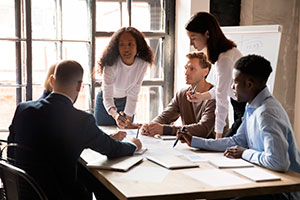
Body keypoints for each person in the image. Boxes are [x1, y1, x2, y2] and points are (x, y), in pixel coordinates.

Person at [8, 60, 142, 199]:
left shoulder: (23, 109)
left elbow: (11, 149)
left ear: (52, 81)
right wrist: (133, 144)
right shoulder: (81, 119)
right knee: (96, 181)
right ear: (79, 86)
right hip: (61, 195)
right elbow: (113, 149)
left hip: (25, 193)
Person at [179, 55, 300, 200]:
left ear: (249, 85)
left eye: (235, 83)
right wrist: (196, 142)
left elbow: (278, 162)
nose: (231, 87)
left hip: (282, 190)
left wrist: (244, 153)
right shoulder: (252, 105)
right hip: (264, 178)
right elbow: (237, 140)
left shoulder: (267, 113)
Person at [185, 12, 246, 139]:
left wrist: (218, 137)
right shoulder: (223, 55)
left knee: (228, 147)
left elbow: (222, 101)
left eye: (193, 37)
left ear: (207, 34)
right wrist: (202, 96)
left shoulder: (224, 59)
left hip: (246, 109)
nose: (191, 43)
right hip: (240, 107)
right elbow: (221, 88)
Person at [141, 52, 217, 138]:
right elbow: (165, 117)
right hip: (190, 147)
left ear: (205, 72)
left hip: (212, 149)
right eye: (186, 68)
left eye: (192, 69)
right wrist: (150, 126)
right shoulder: (182, 94)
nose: (186, 73)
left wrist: (165, 129)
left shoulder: (213, 96)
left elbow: (203, 130)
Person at [94, 27, 154, 129]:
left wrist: (128, 119)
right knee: (104, 134)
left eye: (130, 44)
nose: (126, 48)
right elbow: (107, 96)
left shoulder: (143, 64)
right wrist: (115, 115)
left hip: (126, 102)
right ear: (117, 47)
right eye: (122, 44)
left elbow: (134, 92)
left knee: (126, 134)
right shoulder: (111, 64)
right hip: (105, 102)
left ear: (137, 46)